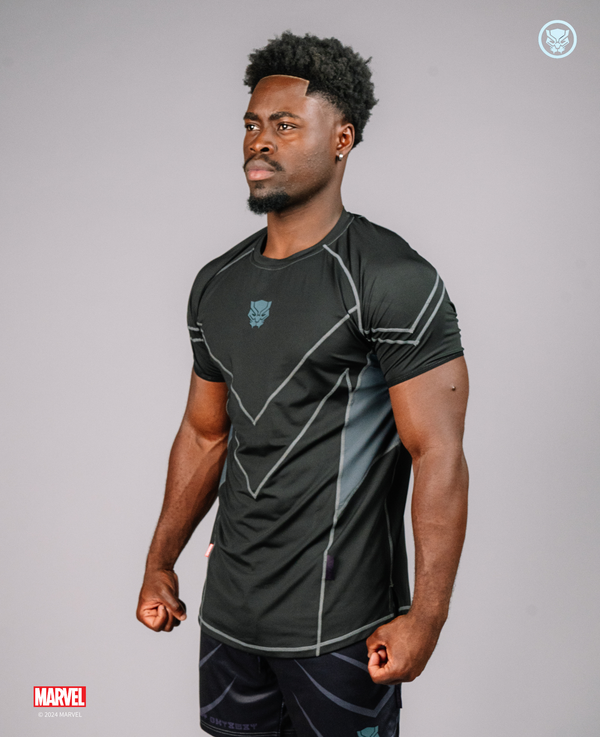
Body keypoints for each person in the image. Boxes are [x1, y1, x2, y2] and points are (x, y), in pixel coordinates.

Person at [136, 31, 469, 737]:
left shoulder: (391, 278)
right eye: (252, 124)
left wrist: (427, 617)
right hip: (229, 621)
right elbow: (204, 434)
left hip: (342, 628)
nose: (259, 141)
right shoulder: (217, 283)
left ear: (342, 139)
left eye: (285, 125)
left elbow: (438, 454)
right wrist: (160, 562)